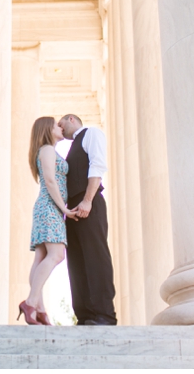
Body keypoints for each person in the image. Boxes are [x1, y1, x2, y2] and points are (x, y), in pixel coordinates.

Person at [58, 113, 117, 325]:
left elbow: (97, 166)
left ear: (71, 119)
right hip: (72, 211)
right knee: (76, 261)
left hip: (88, 204)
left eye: (61, 123)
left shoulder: (91, 133)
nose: (60, 128)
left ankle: (105, 314)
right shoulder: (72, 147)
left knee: (96, 257)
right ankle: (85, 315)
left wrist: (87, 200)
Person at [18, 116, 77, 325]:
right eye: (55, 125)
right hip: (50, 207)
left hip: (47, 207)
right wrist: (65, 209)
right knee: (57, 254)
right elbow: (51, 180)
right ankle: (31, 302)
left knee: (41, 258)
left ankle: (40, 310)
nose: (60, 127)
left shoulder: (46, 150)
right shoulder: (47, 149)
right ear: (47, 130)